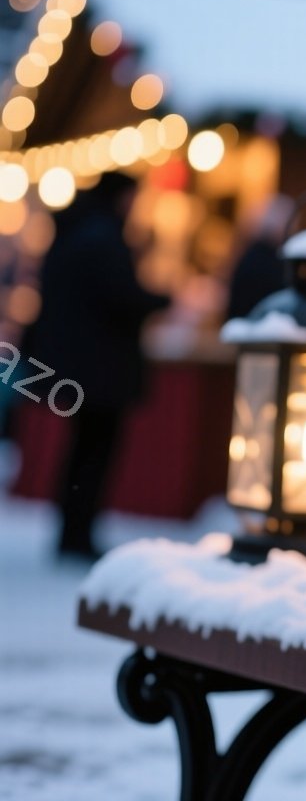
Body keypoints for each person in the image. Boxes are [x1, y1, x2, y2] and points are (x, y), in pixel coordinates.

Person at [28, 171, 170, 560]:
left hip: (77, 368)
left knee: (81, 449)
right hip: (100, 371)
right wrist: (164, 301)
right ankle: (78, 534)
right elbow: (122, 298)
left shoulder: (77, 230)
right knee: (94, 452)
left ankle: (71, 531)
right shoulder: (104, 238)